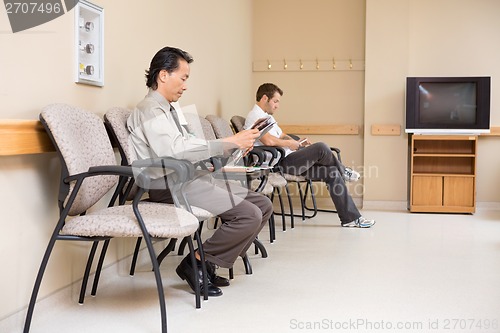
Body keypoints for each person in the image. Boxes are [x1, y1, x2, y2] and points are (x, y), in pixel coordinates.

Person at [127, 46, 273, 297]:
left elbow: (193, 148)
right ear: (163, 75)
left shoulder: (172, 110)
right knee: (249, 215)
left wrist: (233, 148)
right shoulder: (150, 109)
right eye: (183, 78)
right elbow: (174, 150)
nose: (185, 85)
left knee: (263, 206)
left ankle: (205, 262)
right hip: (167, 185)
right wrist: (230, 141)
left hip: (188, 178)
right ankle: (195, 262)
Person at [244, 83, 375, 228]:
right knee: (321, 147)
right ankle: (344, 171)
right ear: (264, 98)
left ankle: (350, 218)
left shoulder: (267, 117)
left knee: (332, 172)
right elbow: (267, 140)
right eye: (275, 101)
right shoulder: (254, 117)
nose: (277, 105)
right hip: (281, 163)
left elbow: (281, 134)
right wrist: (289, 145)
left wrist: (297, 142)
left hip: (291, 157)